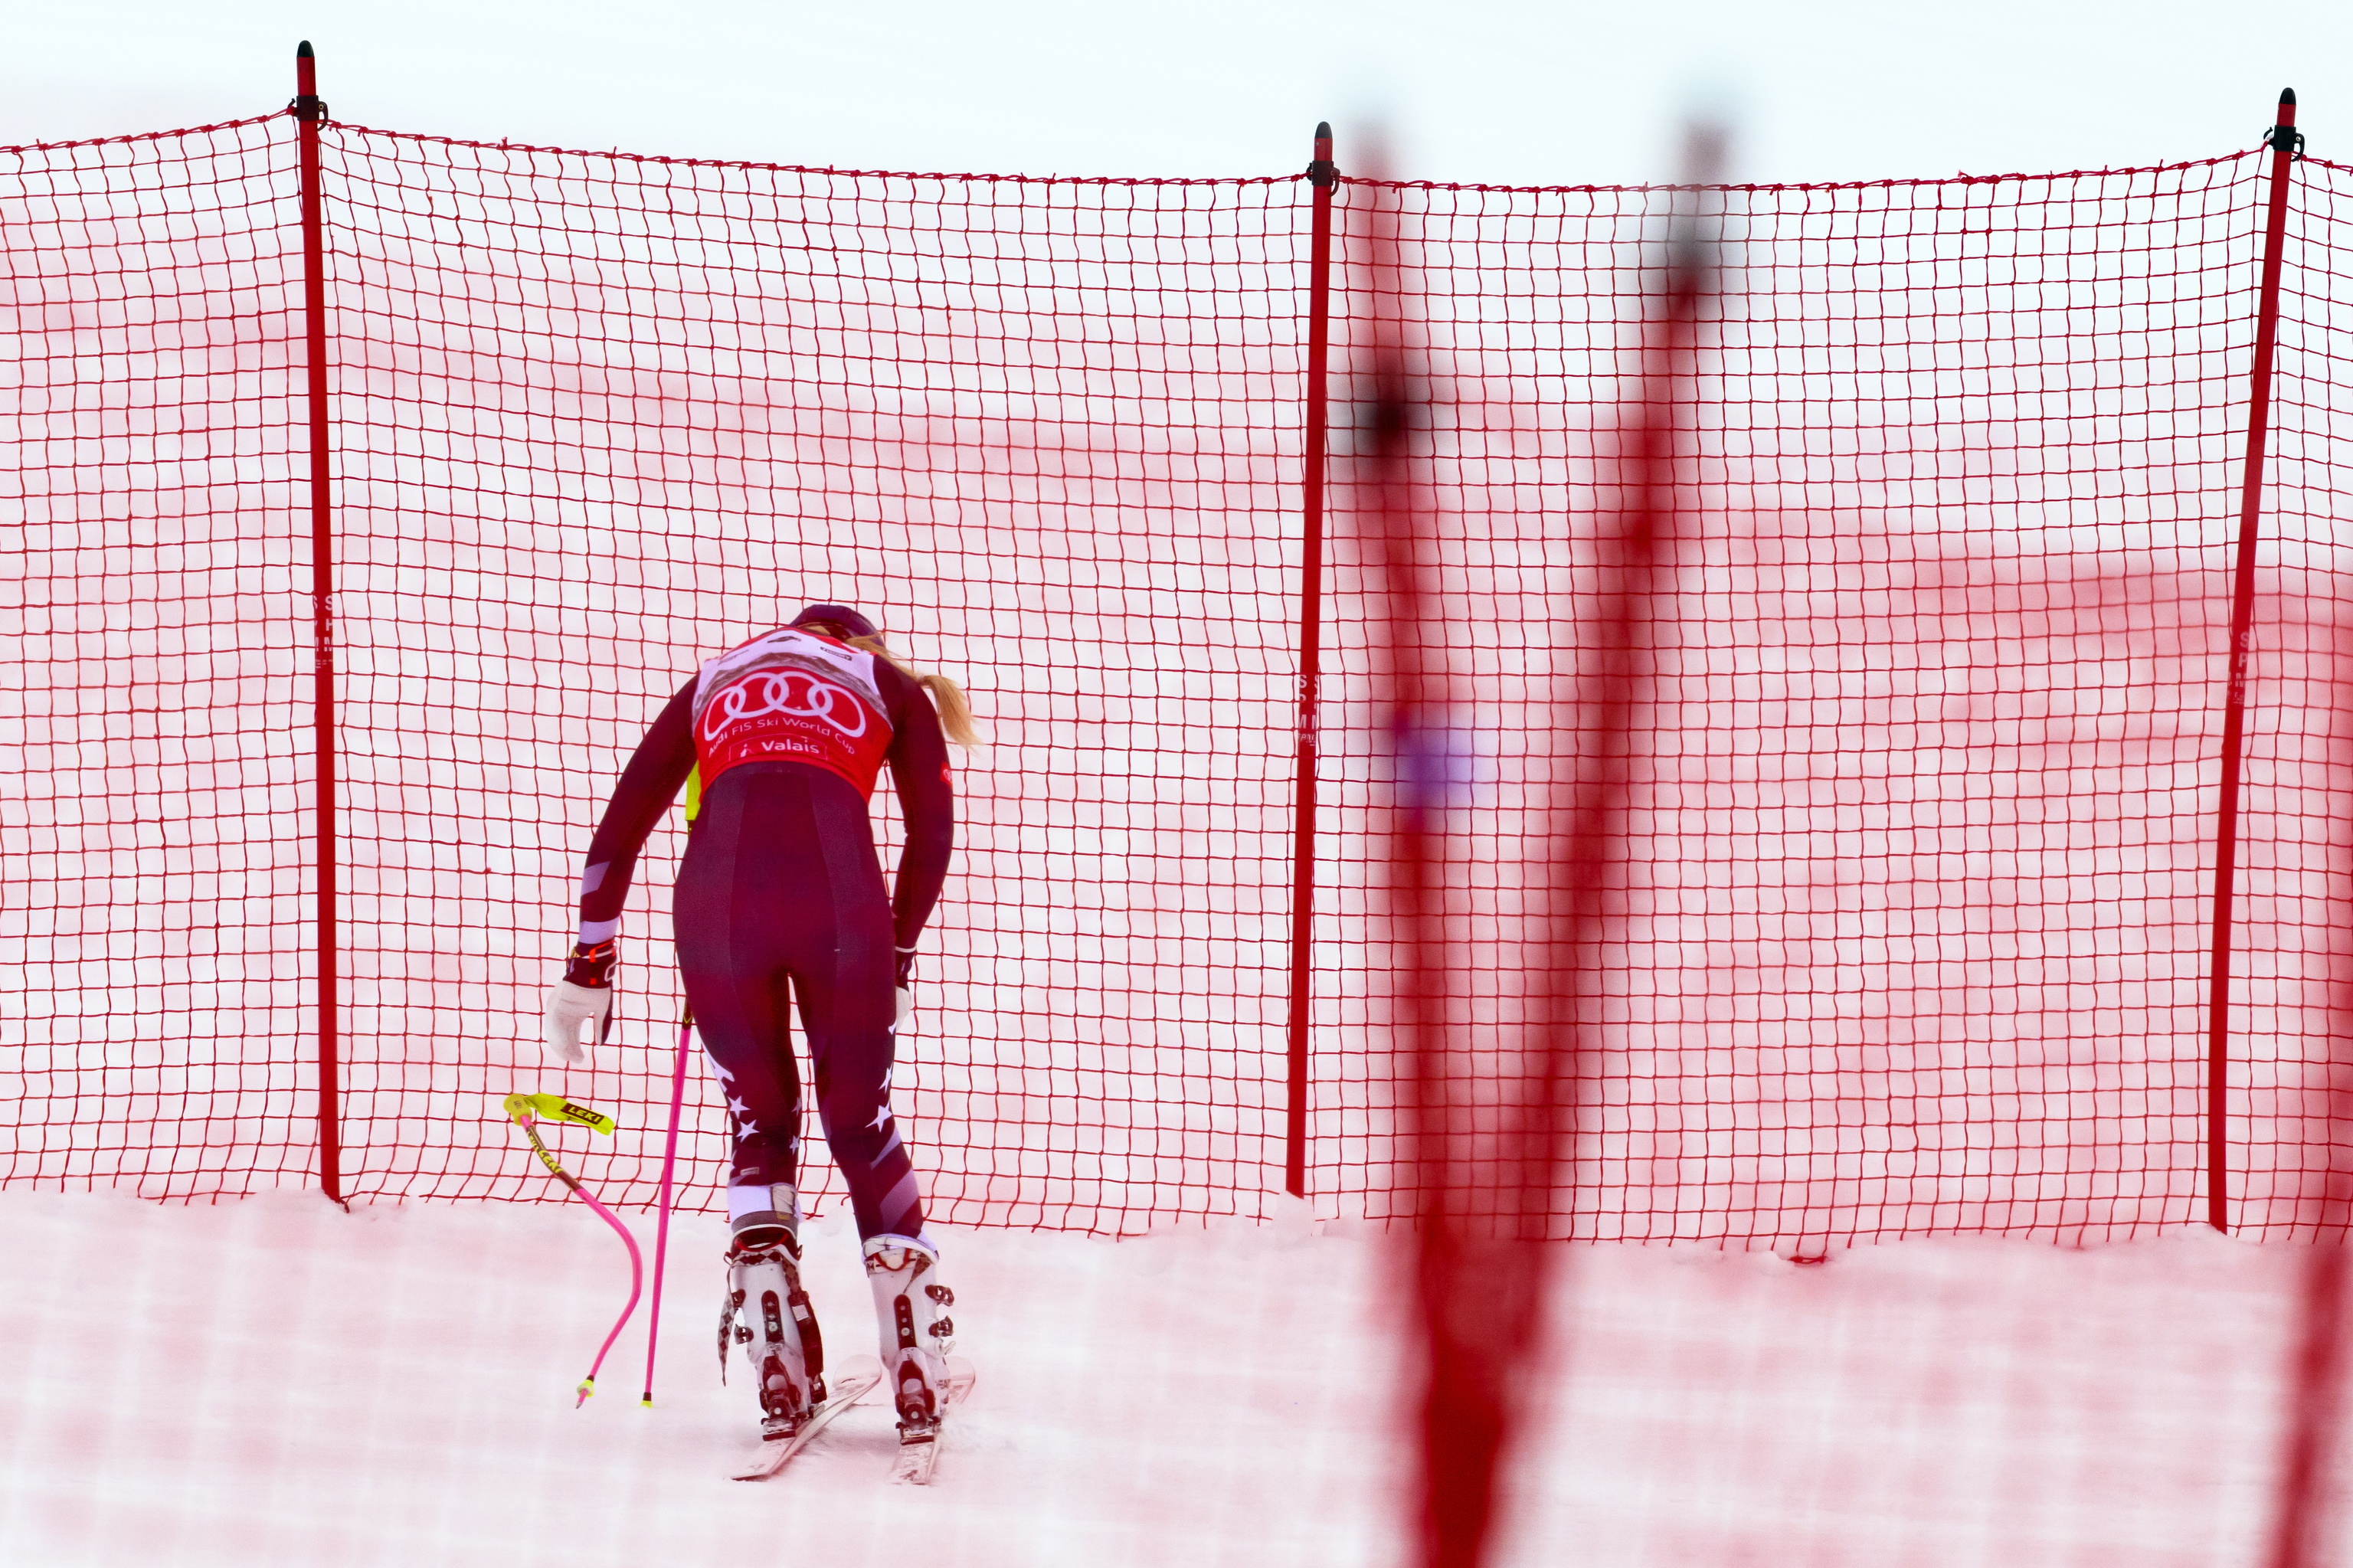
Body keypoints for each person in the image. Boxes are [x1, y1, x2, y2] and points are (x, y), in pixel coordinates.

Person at [540, 603, 976, 1449]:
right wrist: (896, 950)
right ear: (863, 645)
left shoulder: (717, 675)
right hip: (839, 906)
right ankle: (914, 1344)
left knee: (759, 1120)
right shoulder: (889, 683)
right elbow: (933, 832)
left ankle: (772, 1324)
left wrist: (589, 966)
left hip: (714, 908)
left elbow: (619, 827)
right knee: (861, 1122)